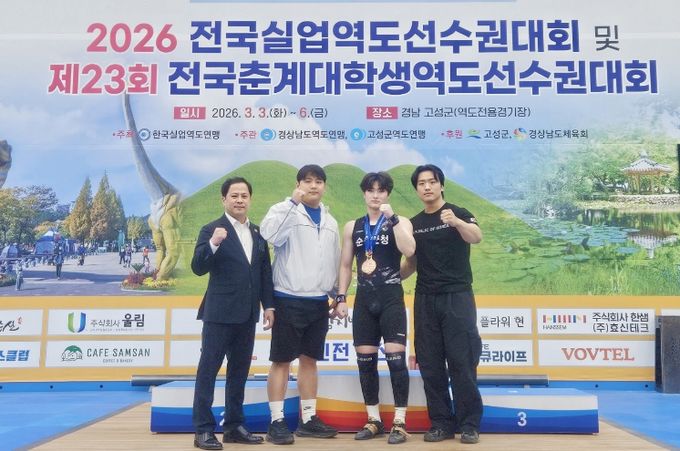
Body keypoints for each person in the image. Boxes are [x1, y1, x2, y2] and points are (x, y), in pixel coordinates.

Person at [260, 164, 342, 445]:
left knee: (309, 360)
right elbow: (269, 235)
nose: (313, 186)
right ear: (298, 185)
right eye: (307, 181)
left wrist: (338, 296)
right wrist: (291, 203)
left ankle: (308, 419)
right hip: (287, 298)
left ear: (324, 186)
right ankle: (276, 421)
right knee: (282, 361)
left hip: (319, 302)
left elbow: (333, 261)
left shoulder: (330, 221)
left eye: (318, 181)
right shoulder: (285, 210)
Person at [401, 164, 483, 445]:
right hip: (425, 299)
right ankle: (441, 423)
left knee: (462, 362)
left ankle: (469, 424)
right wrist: (384, 277)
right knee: (431, 365)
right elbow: (411, 263)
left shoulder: (458, 212)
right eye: (421, 183)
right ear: (416, 189)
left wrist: (457, 223)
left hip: (457, 297)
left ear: (441, 185)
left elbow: (476, 237)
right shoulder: (413, 223)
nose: (427, 187)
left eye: (432, 182)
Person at [190, 177, 275, 450]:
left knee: (239, 373)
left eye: (244, 196)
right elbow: (197, 267)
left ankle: (234, 426)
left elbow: (264, 273)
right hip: (218, 314)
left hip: (247, 315)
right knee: (208, 372)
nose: (239, 200)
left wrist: (269, 305)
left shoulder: (258, 233)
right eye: (234, 196)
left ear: (250, 199)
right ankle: (203, 430)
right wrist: (213, 243)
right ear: (223, 199)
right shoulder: (211, 229)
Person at [336, 172, 415, 444]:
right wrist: (341, 297)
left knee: (396, 360)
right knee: (365, 361)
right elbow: (345, 265)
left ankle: (400, 423)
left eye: (381, 190)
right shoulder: (352, 226)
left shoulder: (400, 221)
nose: (376, 195)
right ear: (364, 193)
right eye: (371, 190)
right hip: (364, 301)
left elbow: (410, 251)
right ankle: (373, 420)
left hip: (391, 299)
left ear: (388, 194)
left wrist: (393, 218)